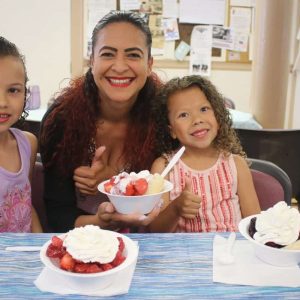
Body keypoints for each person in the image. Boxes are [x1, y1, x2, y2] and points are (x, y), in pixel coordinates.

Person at [40, 11, 162, 232]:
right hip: (83, 243)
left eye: (133, 55)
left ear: (149, 63)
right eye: (108, 54)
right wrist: (103, 220)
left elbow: (168, 205)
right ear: (92, 61)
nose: (119, 66)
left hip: (149, 243)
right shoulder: (61, 120)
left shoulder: (164, 118)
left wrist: (114, 181)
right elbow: (58, 216)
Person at [148, 75, 261, 233]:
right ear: (171, 130)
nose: (197, 120)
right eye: (183, 115)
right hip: (184, 256)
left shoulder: (236, 165)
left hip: (231, 253)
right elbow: (155, 231)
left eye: (203, 109)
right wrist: (176, 209)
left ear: (217, 115)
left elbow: (255, 225)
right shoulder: (163, 168)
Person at [0, 36, 42, 232]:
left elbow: (26, 204)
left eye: (13, 90)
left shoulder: (28, 143)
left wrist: (43, 246)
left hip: (26, 258)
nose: (2, 102)